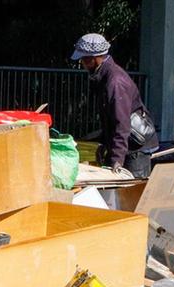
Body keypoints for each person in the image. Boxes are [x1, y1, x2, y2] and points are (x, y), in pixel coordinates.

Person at [71, 33, 158, 178]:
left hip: (135, 149)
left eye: (84, 60)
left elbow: (122, 125)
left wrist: (116, 161)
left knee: (131, 196)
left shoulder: (115, 82)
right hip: (127, 146)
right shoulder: (104, 76)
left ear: (95, 58)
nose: (83, 64)